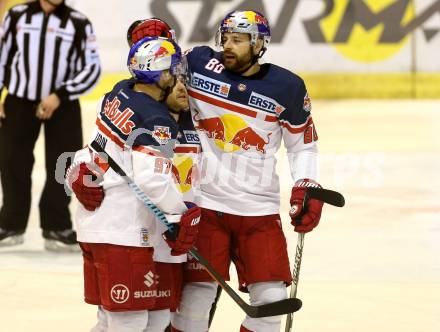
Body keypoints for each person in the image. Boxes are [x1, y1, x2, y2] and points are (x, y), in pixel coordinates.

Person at [71, 11, 325, 332]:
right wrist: (85, 162)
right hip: (203, 209)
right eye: (226, 38)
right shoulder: (198, 62)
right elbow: (137, 90)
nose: (228, 46)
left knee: (272, 300)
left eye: (238, 40)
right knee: (193, 302)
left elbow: (303, 144)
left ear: (260, 44)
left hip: (258, 209)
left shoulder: (287, 88)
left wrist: (306, 183)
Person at [65, 36, 201, 331]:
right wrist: (180, 215)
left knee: (149, 318)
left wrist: (76, 170)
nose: (178, 77)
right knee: (131, 320)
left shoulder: (119, 93)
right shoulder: (157, 119)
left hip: (96, 225)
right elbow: (152, 179)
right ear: (161, 74)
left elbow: (97, 151)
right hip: (123, 230)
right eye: (173, 71)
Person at [0, 0, 101, 251]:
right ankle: (10, 223)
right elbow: (1, 58)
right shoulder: (17, 15)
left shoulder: (78, 23)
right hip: (19, 101)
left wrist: (60, 95)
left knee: (64, 164)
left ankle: (56, 226)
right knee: (11, 160)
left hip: (63, 105)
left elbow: (92, 68)